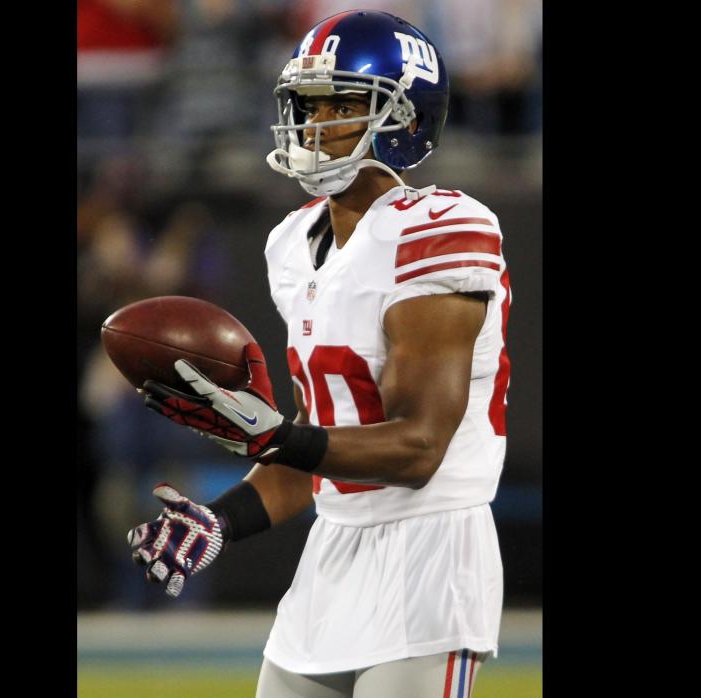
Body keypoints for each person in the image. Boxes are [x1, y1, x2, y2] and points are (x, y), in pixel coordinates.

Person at [127, 10, 511, 697]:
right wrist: (223, 519)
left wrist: (277, 436)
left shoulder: (445, 227)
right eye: (306, 104)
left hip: (428, 557)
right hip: (329, 560)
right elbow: (317, 449)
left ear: (404, 118)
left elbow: (417, 449)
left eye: (339, 103)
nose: (313, 123)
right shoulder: (292, 243)